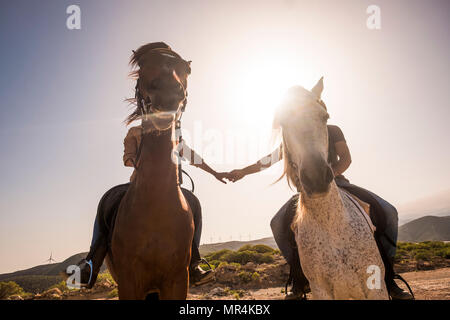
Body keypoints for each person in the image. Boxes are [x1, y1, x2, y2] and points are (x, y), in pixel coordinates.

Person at [69, 42, 228, 289]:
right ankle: (91, 262)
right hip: (137, 183)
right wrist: (134, 161)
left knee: (193, 203)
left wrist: (215, 172)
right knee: (108, 201)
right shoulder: (134, 131)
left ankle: (194, 261)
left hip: (171, 185)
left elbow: (191, 156)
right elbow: (127, 157)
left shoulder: (177, 136)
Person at [226, 99, 413, 300]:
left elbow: (346, 158)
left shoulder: (332, 130)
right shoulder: (295, 136)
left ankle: (390, 279)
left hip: (338, 183)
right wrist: (243, 172)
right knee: (278, 223)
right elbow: (267, 161)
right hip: (306, 191)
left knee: (388, 211)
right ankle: (299, 281)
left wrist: (331, 174)